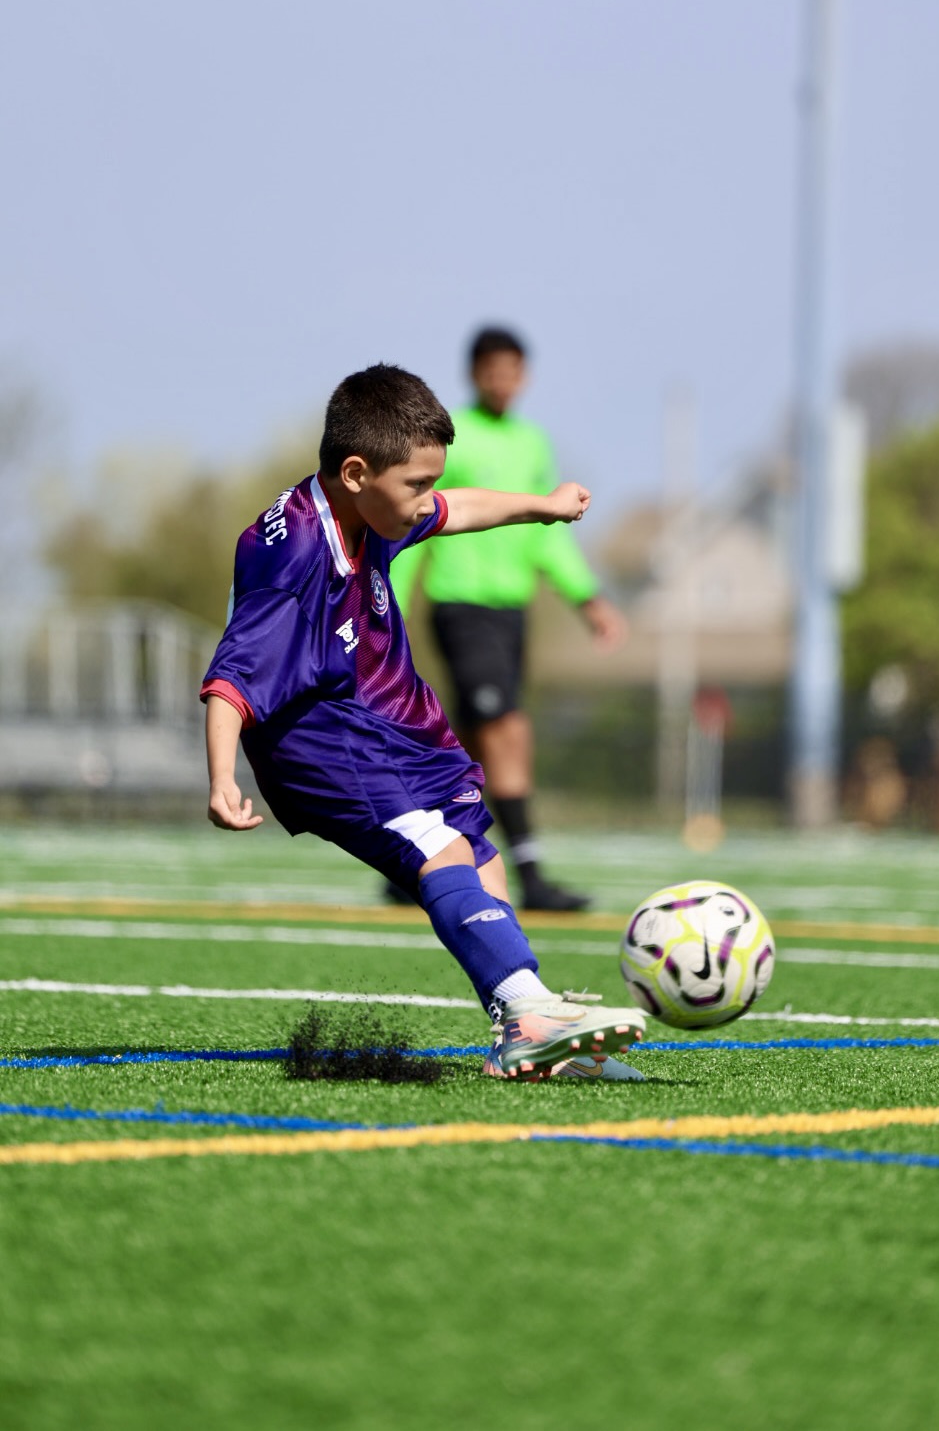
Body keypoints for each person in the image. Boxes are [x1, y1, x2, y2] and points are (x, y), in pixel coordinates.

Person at [200, 363, 645, 1082]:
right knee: (436, 847)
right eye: (417, 484)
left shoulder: (376, 505)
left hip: (391, 720)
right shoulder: (293, 552)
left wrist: (544, 504)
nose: (426, 500)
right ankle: (530, 1011)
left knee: (479, 855)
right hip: (319, 739)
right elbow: (233, 675)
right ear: (355, 472)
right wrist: (222, 776)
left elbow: (457, 510)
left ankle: (519, 1022)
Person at [389, 326, 626, 912]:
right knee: (508, 730)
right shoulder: (453, 438)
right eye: (492, 368)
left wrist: (587, 597)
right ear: (474, 373)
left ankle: (410, 864)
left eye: (513, 369)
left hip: (512, 614)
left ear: (524, 376)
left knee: (470, 744)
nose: (503, 379)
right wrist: (385, 594)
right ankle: (532, 873)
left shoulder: (532, 444)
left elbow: (546, 533)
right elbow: (418, 520)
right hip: (461, 605)